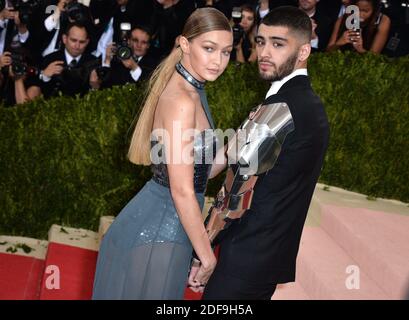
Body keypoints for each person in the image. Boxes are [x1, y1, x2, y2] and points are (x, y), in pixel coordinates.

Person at [92, 7, 233, 300]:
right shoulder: (182, 99)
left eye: (226, 52)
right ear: (184, 44)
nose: (218, 61)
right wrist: (207, 256)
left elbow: (199, 171)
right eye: (209, 49)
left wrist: (242, 141)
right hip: (157, 232)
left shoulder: (195, 90)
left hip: (168, 228)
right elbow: (181, 190)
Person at [196, 6, 329, 300]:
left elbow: (234, 196)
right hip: (266, 255)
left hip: (246, 256)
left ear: (304, 51)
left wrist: (201, 251)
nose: (265, 52)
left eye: (278, 44)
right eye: (260, 42)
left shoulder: (281, 109)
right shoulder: (310, 105)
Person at [326, 0, 391, 54]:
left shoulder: (383, 21)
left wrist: (360, 49)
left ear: (374, 10)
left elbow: (374, 58)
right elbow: (327, 51)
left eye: (365, 11)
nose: (360, 14)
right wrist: (339, 42)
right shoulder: (344, 18)